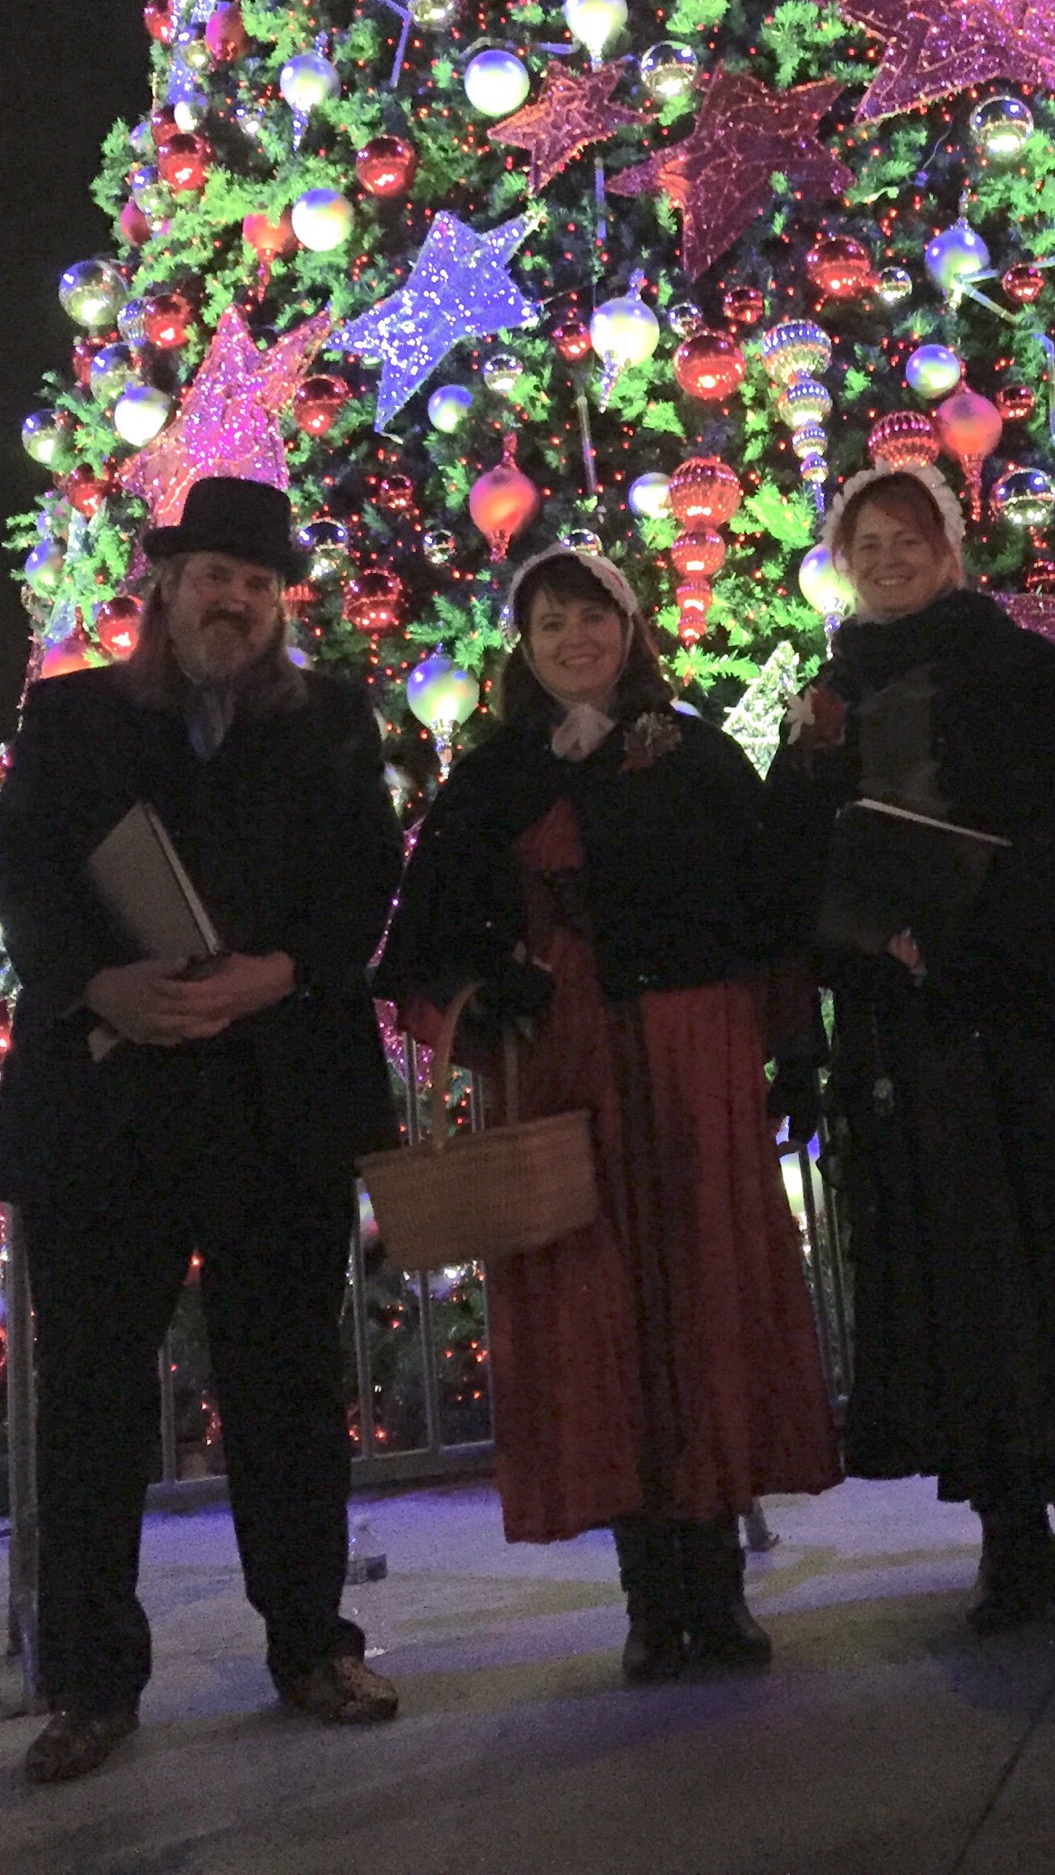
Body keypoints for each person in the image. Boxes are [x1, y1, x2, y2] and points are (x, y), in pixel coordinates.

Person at [761, 463, 1055, 1632]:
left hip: (1033, 1015)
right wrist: (822, 792)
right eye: (868, 546)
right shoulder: (830, 692)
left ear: (948, 550)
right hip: (909, 1027)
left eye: (907, 540)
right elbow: (790, 865)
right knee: (957, 1275)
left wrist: (975, 914)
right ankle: (1007, 1531)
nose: (888, 561)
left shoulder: (1015, 663)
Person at [0, 477, 404, 1783]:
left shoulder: (332, 721)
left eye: (257, 582)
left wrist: (283, 972)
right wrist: (95, 984)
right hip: (109, 1110)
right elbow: (20, 869)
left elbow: (368, 879)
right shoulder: (72, 715)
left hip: (277, 1103)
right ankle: (91, 1685)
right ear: (165, 587)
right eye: (212, 574)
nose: (233, 598)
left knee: (289, 1392)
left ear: (281, 604)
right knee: (93, 1406)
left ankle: (312, 1646)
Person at [376, 546, 841, 1682]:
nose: (575, 639)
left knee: (703, 1300)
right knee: (600, 1315)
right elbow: (426, 951)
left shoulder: (698, 757)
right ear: (525, 647)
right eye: (551, 624)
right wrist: (490, 989)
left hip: (695, 1062)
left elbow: (772, 914)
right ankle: (650, 1595)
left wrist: (794, 1048)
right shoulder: (492, 781)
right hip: (566, 1073)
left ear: (630, 631)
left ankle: (716, 1587)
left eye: (593, 617)